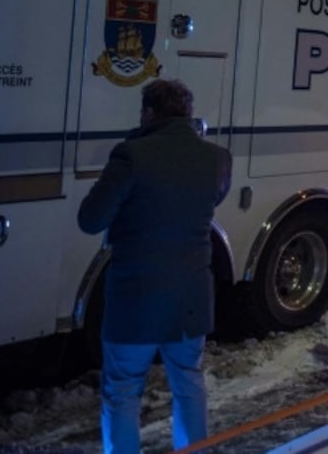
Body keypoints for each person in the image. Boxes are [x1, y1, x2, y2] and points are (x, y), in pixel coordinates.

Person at [78, 79, 232, 453]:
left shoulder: (131, 155)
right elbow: (214, 197)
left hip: (136, 302)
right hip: (190, 302)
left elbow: (91, 218)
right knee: (188, 383)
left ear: (149, 113)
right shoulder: (217, 158)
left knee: (123, 391)